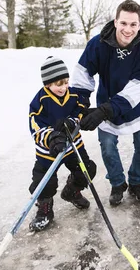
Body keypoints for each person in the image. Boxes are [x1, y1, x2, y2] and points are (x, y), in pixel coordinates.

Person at [71, 0, 140, 206]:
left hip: (137, 109)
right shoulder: (97, 44)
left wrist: (103, 111)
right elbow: (83, 75)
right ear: (116, 21)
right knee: (108, 147)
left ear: (139, 25)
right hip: (107, 104)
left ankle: (136, 182)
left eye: (133, 24)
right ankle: (117, 183)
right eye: (124, 23)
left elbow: (134, 92)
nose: (128, 29)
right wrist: (81, 106)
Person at [27, 56, 97, 232]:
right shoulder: (40, 101)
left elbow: (80, 109)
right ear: (48, 84)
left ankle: (71, 191)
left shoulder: (72, 94)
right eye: (59, 84)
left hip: (73, 145)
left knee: (87, 170)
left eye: (66, 82)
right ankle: (45, 209)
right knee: (44, 182)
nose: (64, 87)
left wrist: (73, 121)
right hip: (49, 150)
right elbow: (35, 126)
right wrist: (51, 137)